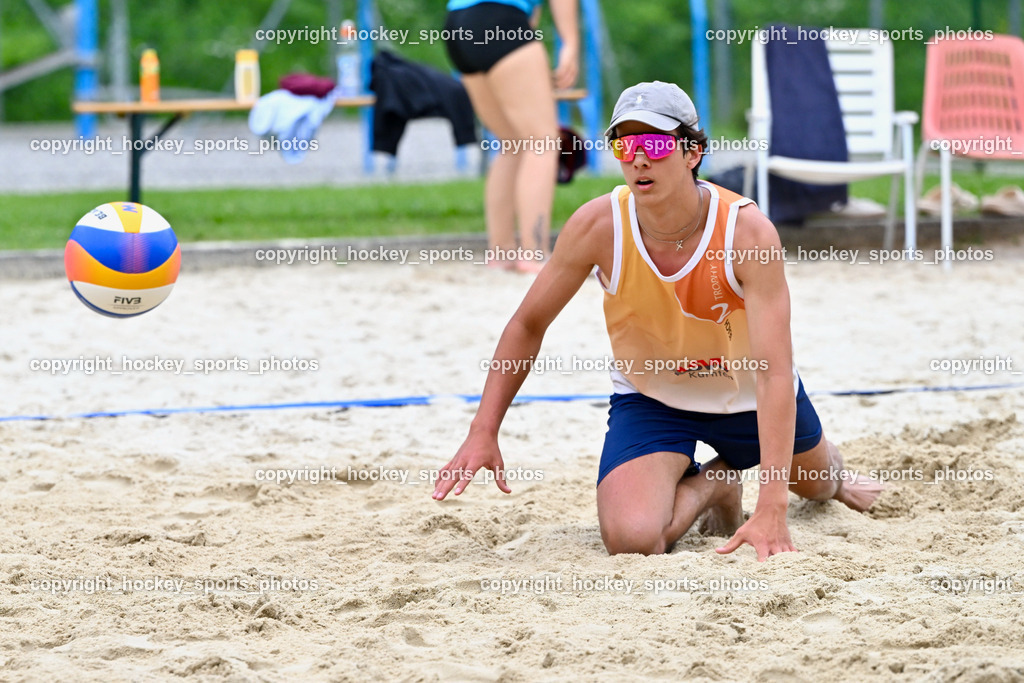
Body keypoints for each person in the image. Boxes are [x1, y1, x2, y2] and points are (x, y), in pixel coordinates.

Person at [432, 81, 883, 561]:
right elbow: (527, 324)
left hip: (750, 396)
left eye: (655, 142)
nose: (638, 158)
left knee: (818, 484)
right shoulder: (598, 225)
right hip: (653, 399)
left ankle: (829, 465)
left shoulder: (746, 230)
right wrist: (484, 427)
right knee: (633, 541)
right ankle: (719, 480)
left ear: (693, 153)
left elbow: (774, 370)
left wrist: (772, 506)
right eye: (624, 144)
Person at [444, 0, 579, 272]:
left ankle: (501, 252)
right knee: (541, 142)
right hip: (499, 17)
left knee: (513, 144)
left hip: (458, 23)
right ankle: (534, 253)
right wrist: (570, 43)